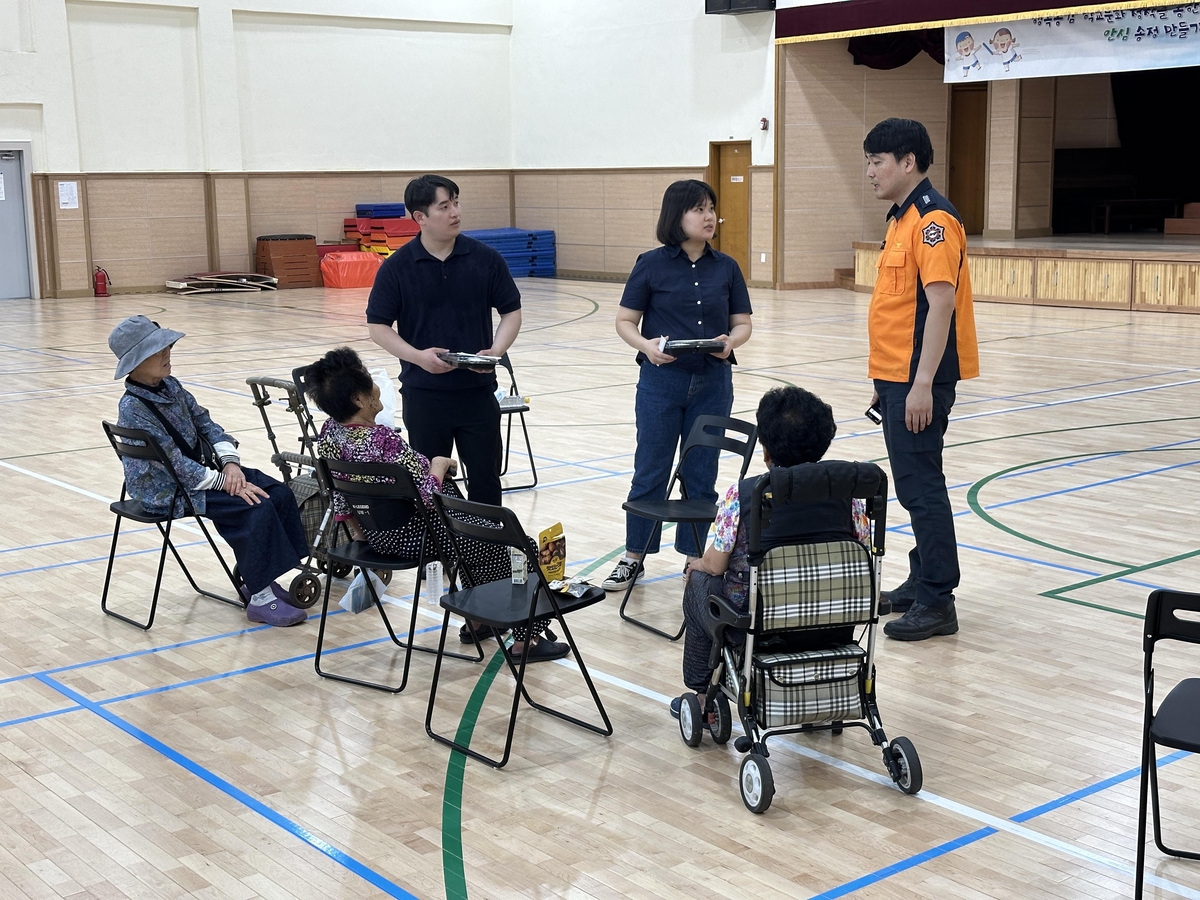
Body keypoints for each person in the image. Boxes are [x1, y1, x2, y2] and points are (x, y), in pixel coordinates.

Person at [305, 347, 568, 662]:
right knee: (516, 545)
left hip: (378, 535)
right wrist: (440, 465)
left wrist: (363, 536)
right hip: (418, 533)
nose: (377, 388)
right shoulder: (385, 442)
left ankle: (477, 621)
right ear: (359, 400)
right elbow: (428, 497)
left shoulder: (330, 434)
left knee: (477, 541)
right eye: (371, 384)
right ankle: (527, 641)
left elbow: (340, 497)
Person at [670, 386, 870, 717]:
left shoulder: (745, 494)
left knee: (698, 583)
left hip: (760, 623)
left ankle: (703, 695)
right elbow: (861, 551)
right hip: (834, 619)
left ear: (765, 450)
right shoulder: (849, 495)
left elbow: (716, 564)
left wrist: (696, 565)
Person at [603, 179, 753, 592]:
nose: (709, 217)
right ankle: (634, 556)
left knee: (702, 472)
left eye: (711, 208)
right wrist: (646, 347)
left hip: (712, 381)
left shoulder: (727, 266)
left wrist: (730, 343)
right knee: (650, 467)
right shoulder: (650, 263)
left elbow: (742, 323)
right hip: (661, 380)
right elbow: (624, 322)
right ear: (676, 216)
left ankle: (695, 557)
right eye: (698, 209)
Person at [109, 315, 308, 627]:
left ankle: (260, 576)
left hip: (200, 473)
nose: (167, 353)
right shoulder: (132, 408)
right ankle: (260, 598)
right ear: (134, 363)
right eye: (156, 350)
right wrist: (226, 483)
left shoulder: (171, 386)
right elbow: (173, 464)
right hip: (169, 489)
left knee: (279, 493)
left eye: (166, 347)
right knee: (255, 507)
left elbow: (205, 422)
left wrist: (231, 464)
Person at [863, 118, 979, 641]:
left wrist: (921, 383)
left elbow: (939, 307)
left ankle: (937, 599)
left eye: (877, 161)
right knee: (915, 485)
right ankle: (920, 581)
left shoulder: (933, 222)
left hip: (919, 380)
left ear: (908, 161)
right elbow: (897, 309)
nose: (870, 171)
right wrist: (885, 379)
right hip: (898, 377)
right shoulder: (901, 219)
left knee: (922, 488)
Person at [366, 174, 521, 506]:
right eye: (444, 206)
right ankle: (439, 554)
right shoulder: (397, 268)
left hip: (478, 395)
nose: (455, 212)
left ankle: (486, 554)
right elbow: (378, 327)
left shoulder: (485, 259)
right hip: (425, 397)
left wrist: (495, 351)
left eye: (456, 203)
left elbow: (512, 312)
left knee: (485, 481)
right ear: (420, 217)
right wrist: (419, 357)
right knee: (429, 486)